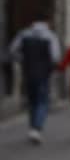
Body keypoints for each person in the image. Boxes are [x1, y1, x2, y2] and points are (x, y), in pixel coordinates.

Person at [10, 14, 61, 144]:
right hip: (44, 73)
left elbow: (13, 51)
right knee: (42, 101)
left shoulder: (24, 34)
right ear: (46, 22)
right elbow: (55, 57)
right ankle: (36, 128)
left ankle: (32, 128)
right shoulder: (50, 36)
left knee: (32, 101)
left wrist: (23, 60)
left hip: (28, 72)